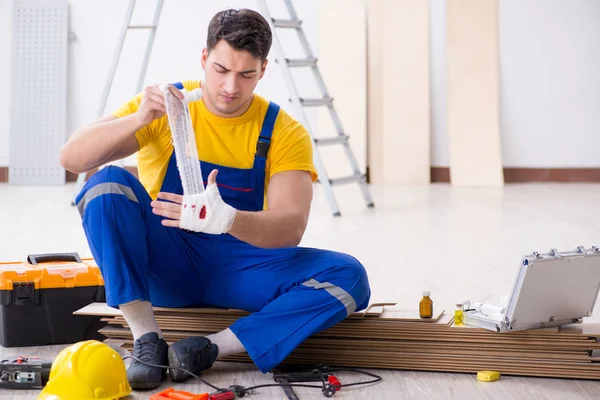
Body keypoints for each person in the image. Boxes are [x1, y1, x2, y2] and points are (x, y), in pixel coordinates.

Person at [60, 8, 371, 390]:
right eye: (221, 70)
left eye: (246, 75)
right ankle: (146, 340)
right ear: (205, 58)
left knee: (349, 275)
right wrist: (137, 119)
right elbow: (72, 159)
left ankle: (207, 348)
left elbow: (290, 226)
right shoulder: (167, 106)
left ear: (263, 71)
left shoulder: (283, 132)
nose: (230, 87)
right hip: (166, 263)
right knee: (107, 182)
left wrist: (229, 219)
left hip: (240, 267)